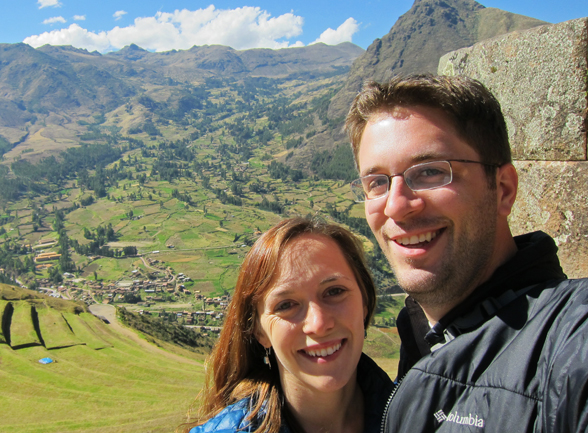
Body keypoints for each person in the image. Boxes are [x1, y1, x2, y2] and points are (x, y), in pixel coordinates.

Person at [345, 73, 588, 432]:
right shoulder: (420, 337)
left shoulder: (569, 342)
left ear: (503, 189)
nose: (396, 206)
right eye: (377, 182)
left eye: (429, 171)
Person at [182, 217, 393, 433]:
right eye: (286, 305)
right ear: (259, 331)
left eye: (334, 291)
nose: (318, 324)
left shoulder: (421, 417)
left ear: (364, 302)